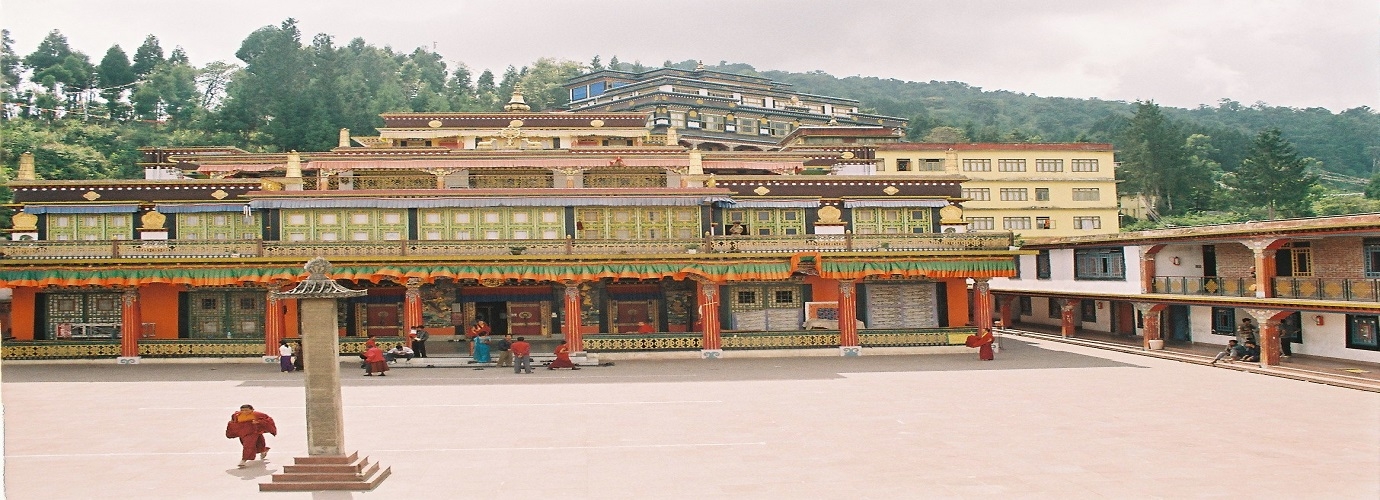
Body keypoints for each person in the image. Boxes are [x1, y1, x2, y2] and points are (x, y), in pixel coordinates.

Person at [225, 404, 277, 468]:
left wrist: (258, 422)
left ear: (252, 410)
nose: (244, 412)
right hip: (244, 432)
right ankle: (263, 450)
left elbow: (268, 420)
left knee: (248, 445)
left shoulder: (257, 415)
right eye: (242, 410)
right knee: (258, 443)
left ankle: (244, 460)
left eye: (247, 410)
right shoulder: (236, 415)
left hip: (254, 431)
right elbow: (233, 422)